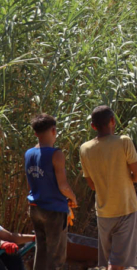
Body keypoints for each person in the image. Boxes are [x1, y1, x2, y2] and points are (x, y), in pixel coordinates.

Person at [79, 106, 137, 270]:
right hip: (125, 209)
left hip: (103, 212)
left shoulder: (84, 149)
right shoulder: (123, 141)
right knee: (117, 263)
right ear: (113, 121)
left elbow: (92, 185)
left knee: (112, 260)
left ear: (93, 126)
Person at [25, 114, 78, 270]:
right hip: (54, 210)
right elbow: (63, 186)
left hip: (35, 207)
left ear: (35, 133)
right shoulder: (56, 154)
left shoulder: (28, 154)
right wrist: (73, 198)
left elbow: (31, 182)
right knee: (56, 256)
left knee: (40, 251)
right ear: (54, 130)